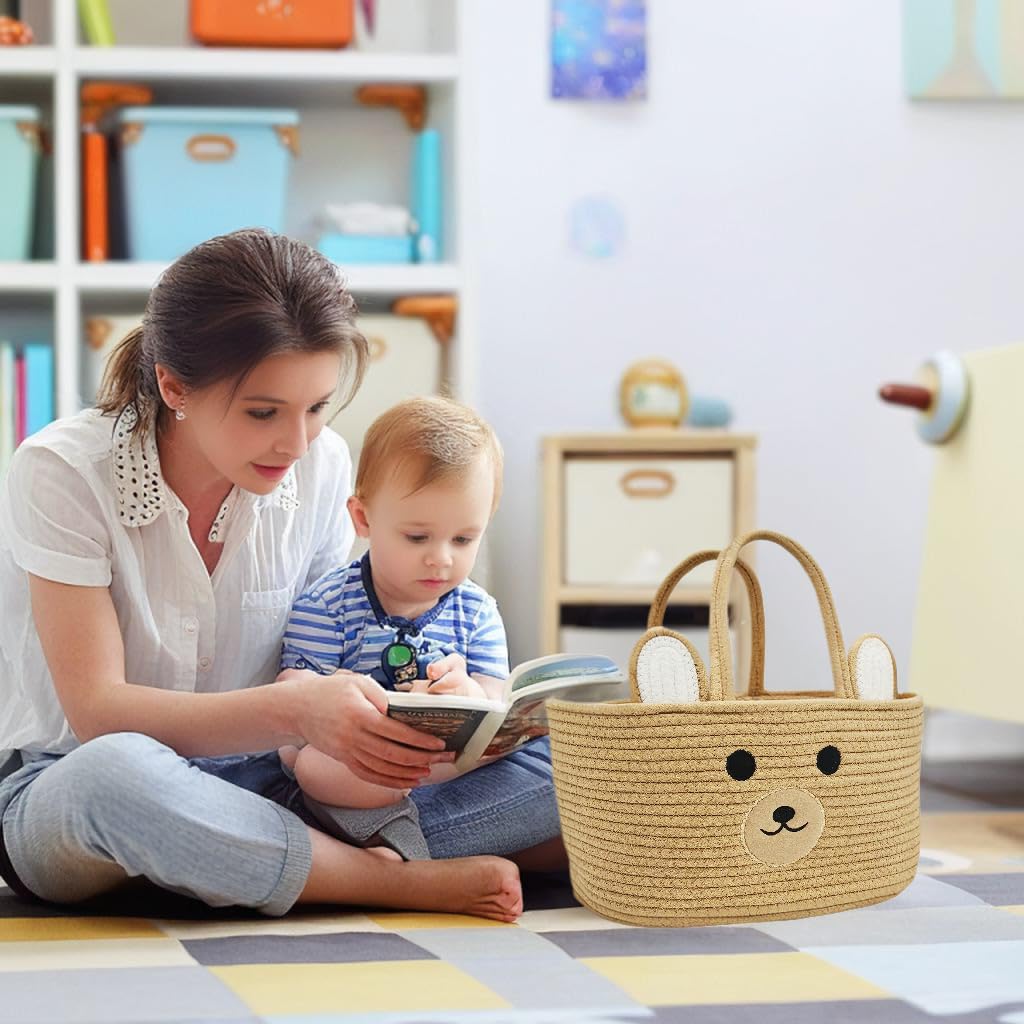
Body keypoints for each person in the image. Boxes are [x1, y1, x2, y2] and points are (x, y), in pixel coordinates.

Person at [0, 228, 565, 925]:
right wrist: (297, 710)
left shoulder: (321, 465)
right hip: (74, 785)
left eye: (318, 407)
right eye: (264, 412)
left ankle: (258, 863)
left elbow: (347, 643)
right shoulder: (61, 472)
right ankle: (388, 880)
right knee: (115, 780)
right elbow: (99, 712)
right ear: (174, 385)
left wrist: (443, 704)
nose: (297, 443)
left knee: (580, 753)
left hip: (286, 789)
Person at [277, 396, 513, 858]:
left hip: (444, 768)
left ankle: (382, 840)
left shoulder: (478, 611)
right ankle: (403, 845)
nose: (441, 557)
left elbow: (497, 705)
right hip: (359, 768)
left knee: (556, 757)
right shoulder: (327, 604)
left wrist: (470, 695)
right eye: (417, 537)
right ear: (363, 519)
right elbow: (295, 697)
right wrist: (337, 694)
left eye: (464, 539)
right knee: (307, 765)